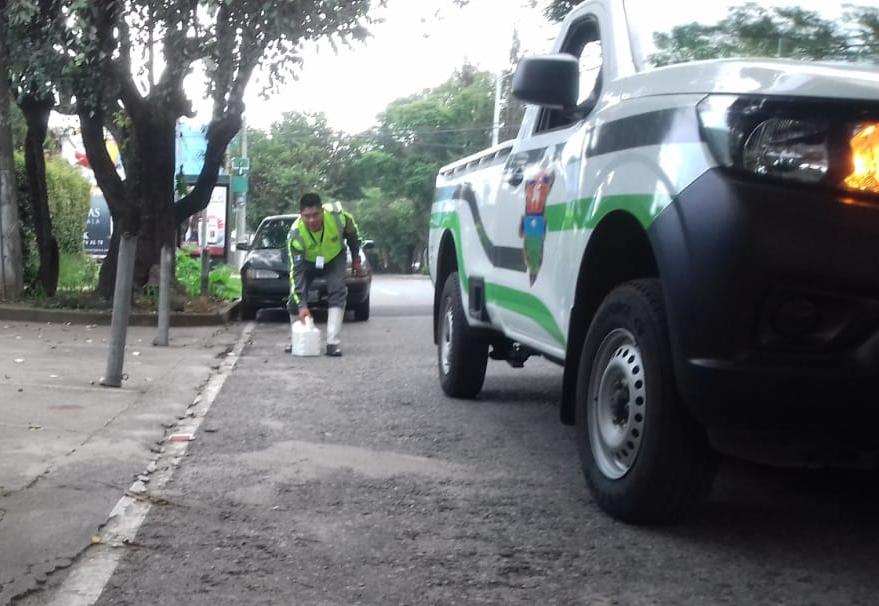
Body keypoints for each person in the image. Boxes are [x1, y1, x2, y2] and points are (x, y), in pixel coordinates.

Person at [286, 193, 362, 356]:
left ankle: (332, 342)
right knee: (295, 298)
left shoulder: (338, 217)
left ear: (322, 211)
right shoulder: (295, 235)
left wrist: (356, 257)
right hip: (307, 261)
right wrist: (302, 306)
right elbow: (296, 274)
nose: (312, 220)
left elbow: (352, 234)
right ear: (301, 215)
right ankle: (296, 340)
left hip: (334, 257)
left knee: (338, 291)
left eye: (315, 215)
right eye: (307, 216)